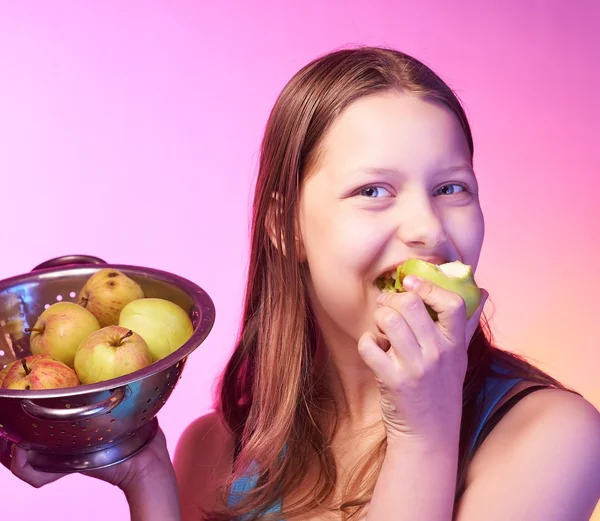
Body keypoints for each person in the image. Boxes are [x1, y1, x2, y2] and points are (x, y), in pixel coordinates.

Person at [5, 46, 600, 521]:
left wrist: (423, 431)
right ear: (284, 224)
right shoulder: (218, 451)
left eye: (452, 188)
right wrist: (145, 471)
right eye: (374, 191)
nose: (427, 229)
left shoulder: (553, 441)